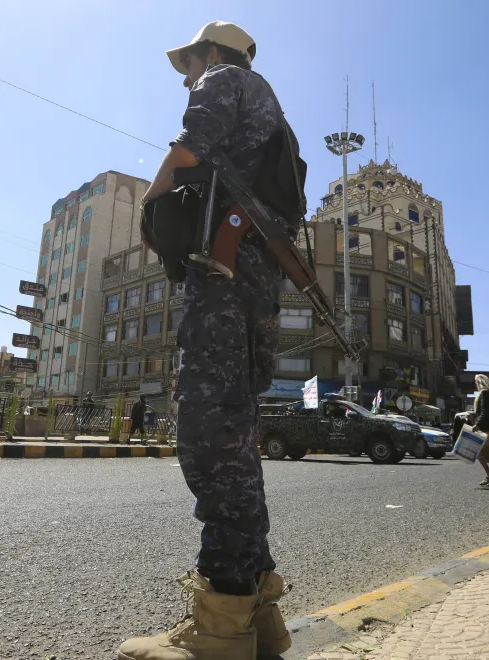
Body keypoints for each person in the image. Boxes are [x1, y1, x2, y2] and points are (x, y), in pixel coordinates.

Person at [117, 21, 295, 660]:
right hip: (259, 276)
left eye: (190, 61)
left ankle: (217, 630)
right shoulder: (273, 109)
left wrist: (154, 202)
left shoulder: (227, 80)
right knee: (236, 443)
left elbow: (190, 148)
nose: (188, 74)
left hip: (222, 271)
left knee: (207, 436)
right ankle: (257, 615)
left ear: (212, 52)